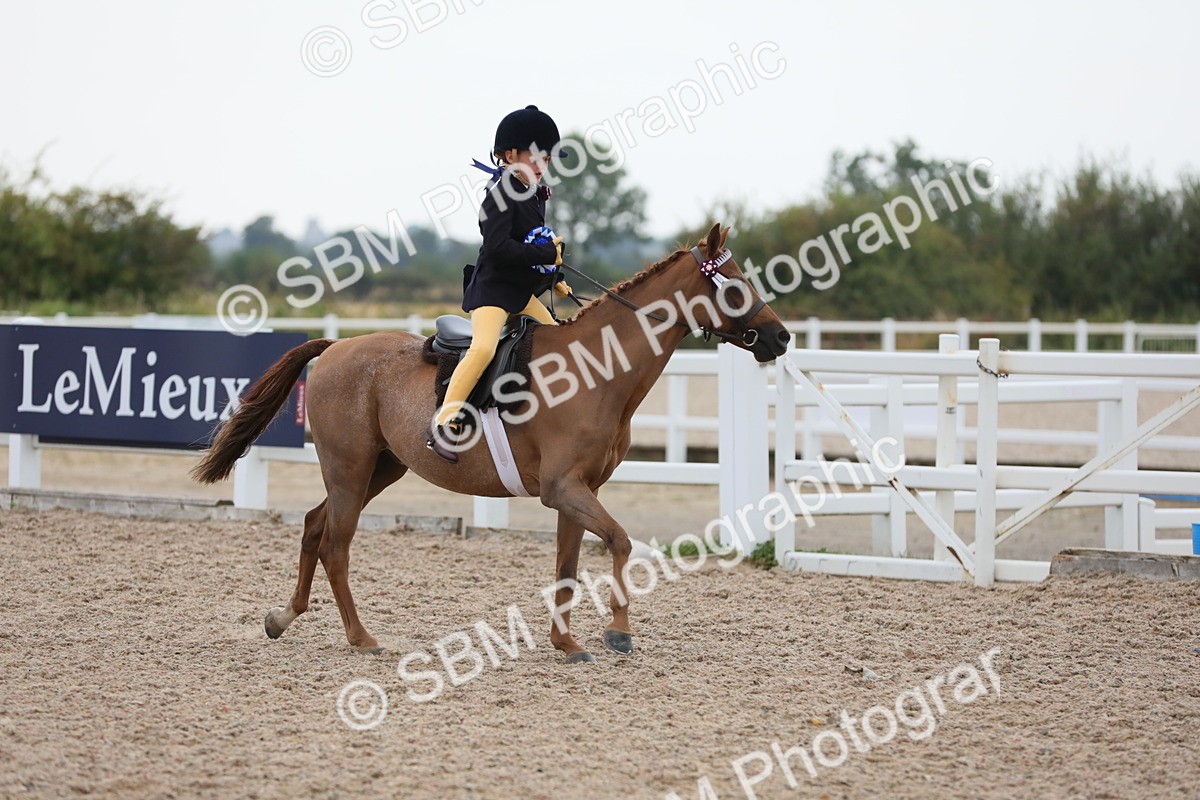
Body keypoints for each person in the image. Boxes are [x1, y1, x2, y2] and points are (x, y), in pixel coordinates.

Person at [427, 105, 571, 463]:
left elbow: (533, 241)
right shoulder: (499, 194)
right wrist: (540, 254)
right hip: (493, 291)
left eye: (548, 158)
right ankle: (445, 424)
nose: (543, 164)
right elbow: (499, 248)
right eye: (537, 156)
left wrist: (555, 279)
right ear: (510, 156)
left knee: (557, 337)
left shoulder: (534, 193)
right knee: (484, 349)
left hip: (520, 293)